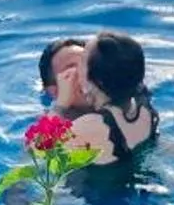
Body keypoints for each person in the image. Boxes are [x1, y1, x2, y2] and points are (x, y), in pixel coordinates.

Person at [62, 32, 159, 167]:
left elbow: (37, 152)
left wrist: (60, 104)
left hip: (96, 187)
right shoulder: (144, 103)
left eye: (82, 60)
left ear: (98, 80)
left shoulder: (90, 126)